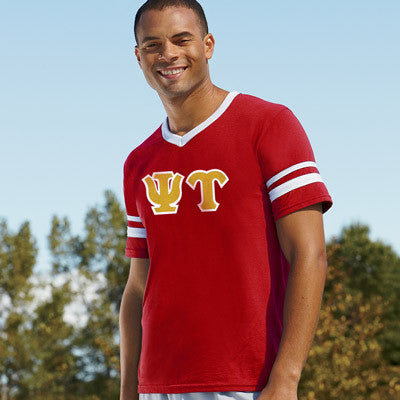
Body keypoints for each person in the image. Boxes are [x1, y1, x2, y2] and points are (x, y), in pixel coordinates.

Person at [119, 1, 333, 399]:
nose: (168, 54)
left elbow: (310, 254)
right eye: (153, 45)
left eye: (181, 39)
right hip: (156, 386)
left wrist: (286, 377)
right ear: (138, 56)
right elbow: (136, 288)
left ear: (208, 45)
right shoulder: (138, 162)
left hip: (247, 384)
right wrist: (129, 390)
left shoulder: (269, 125)